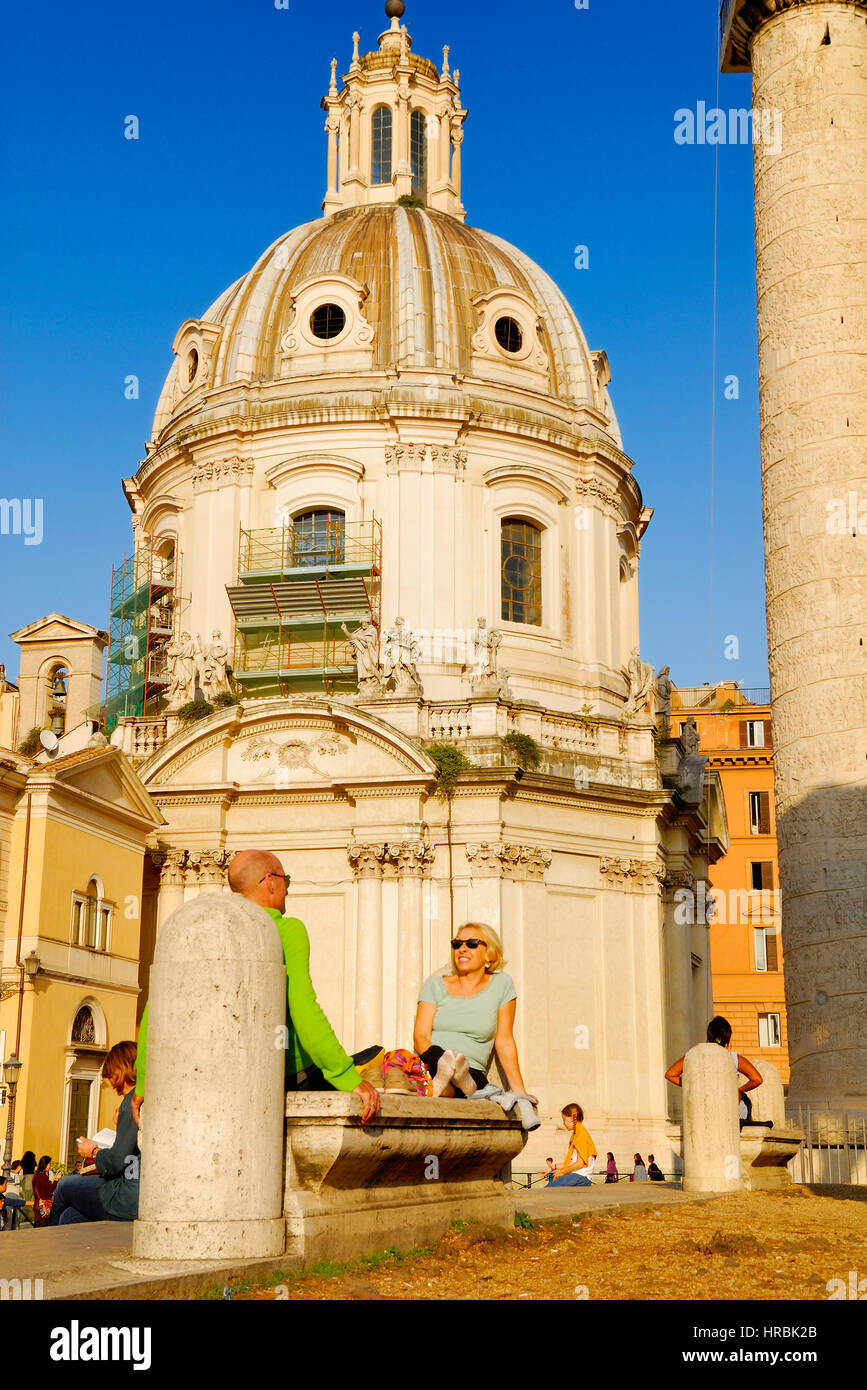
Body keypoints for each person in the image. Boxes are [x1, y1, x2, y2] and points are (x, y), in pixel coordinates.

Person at [134, 850, 382, 1124]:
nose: (287, 888)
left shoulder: (210, 929)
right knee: (378, 1062)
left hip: (222, 1074)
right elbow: (303, 1009)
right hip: (287, 1075)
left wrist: (144, 1080)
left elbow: (157, 1007)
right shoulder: (286, 930)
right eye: (285, 879)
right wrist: (345, 1075)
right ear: (270, 881)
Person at [413, 923, 534, 1100]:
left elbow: (504, 1040)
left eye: (471, 943)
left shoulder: (502, 985)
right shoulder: (434, 985)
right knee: (442, 1070)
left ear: (489, 953)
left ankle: (454, 1083)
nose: (462, 948)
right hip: (431, 1062)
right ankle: (448, 1083)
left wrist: (519, 1090)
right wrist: (444, 1061)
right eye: (457, 944)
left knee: (466, 1075)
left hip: (471, 1069)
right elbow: (420, 1037)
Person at [49, 1041, 141, 1226]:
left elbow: (116, 1161)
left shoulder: (130, 1103)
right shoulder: (144, 1098)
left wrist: (93, 1151)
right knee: (69, 1216)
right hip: (136, 1192)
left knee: (64, 1187)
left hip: (127, 1197)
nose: (113, 1086)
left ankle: (43, 1239)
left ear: (120, 1069)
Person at [665, 1016, 765, 1127]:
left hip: (706, 1107)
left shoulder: (695, 1056)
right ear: (727, 1037)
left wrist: (694, 1085)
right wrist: (738, 1090)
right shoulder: (732, 1057)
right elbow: (757, 1079)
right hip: (735, 1109)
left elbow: (670, 1074)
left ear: (709, 1034)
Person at [547, 1102, 597, 1186]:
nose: (563, 1123)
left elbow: (580, 1164)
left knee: (549, 1189)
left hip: (580, 1176)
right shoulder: (577, 1134)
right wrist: (553, 1167)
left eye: (564, 1120)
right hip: (578, 1176)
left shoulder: (581, 1136)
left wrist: (561, 1172)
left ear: (573, 1118)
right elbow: (571, 1163)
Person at [32, 1156, 59, 1225]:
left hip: (38, 1204)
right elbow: (50, 1189)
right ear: (45, 1164)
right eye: (49, 1163)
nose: (50, 1166)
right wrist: (56, 1180)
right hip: (44, 1205)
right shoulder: (42, 1176)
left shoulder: (37, 1175)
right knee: (43, 1225)